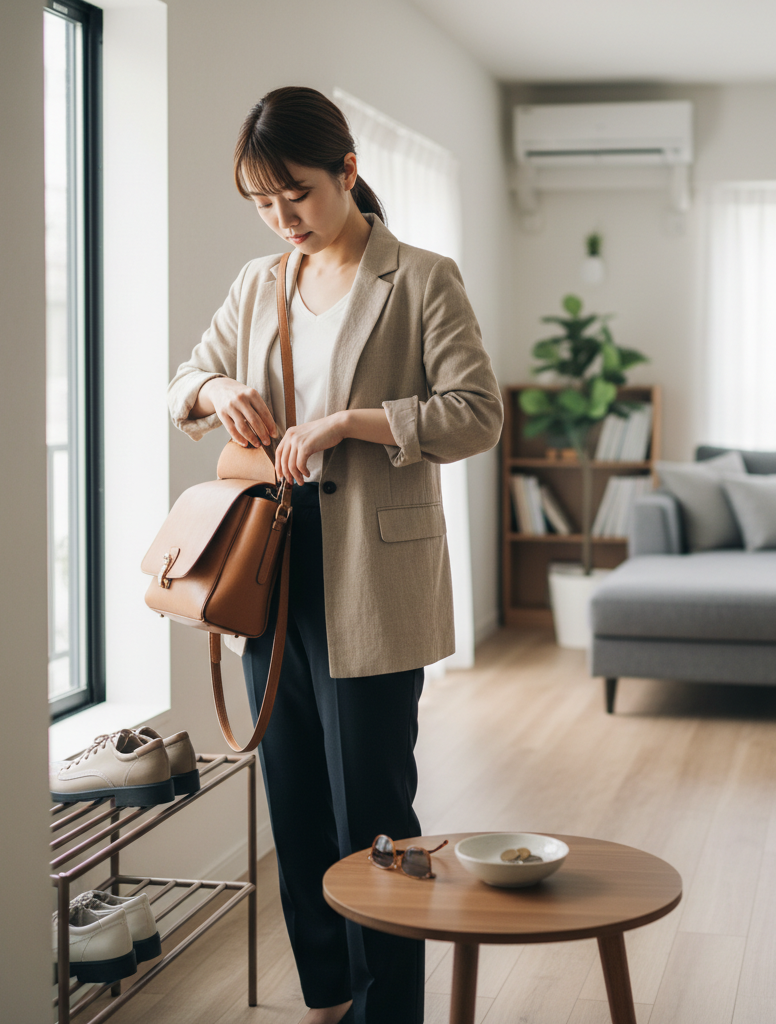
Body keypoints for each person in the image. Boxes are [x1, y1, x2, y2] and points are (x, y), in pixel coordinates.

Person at [167, 86, 502, 1024]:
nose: (283, 220)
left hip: (375, 573)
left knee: (379, 817)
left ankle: (387, 1008)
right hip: (269, 564)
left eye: (298, 197)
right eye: (262, 204)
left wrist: (352, 424)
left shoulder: (423, 277)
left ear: (348, 170)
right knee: (297, 799)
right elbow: (181, 382)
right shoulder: (258, 282)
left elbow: (477, 413)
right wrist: (219, 387)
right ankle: (324, 999)